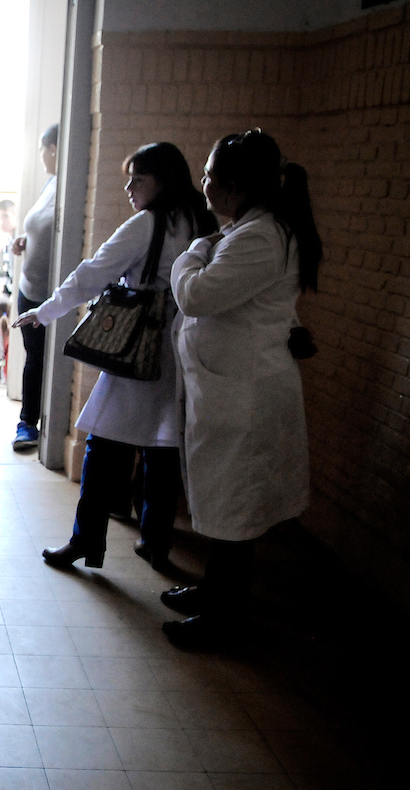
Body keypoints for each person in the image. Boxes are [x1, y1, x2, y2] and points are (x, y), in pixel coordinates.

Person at [15, 142, 218, 572]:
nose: (129, 188)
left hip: (137, 349)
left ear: (161, 181)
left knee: (103, 446)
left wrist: (46, 311)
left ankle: (86, 540)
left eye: (137, 179)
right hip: (186, 351)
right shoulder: (205, 221)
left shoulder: (147, 224)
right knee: (165, 451)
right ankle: (156, 542)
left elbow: (93, 273)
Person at [162, 129, 320, 647]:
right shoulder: (247, 230)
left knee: (235, 509)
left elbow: (196, 295)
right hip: (228, 388)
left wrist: (192, 251)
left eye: (210, 176)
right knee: (223, 502)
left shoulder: (260, 237)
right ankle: (214, 593)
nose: (203, 184)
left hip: (243, 395)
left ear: (235, 187)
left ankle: (223, 619)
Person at [10, 124, 59, 452]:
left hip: (48, 295)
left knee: (40, 360)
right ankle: (27, 422)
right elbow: (44, 228)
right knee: (34, 357)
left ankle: (29, 423)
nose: (41, 156)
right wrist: (25, 240)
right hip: (30, 287)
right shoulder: (50, 183)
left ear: (53, 148)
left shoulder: (67, 185)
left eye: (42, 149)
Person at [0, 199, 18, 296]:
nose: (1, 222)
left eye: (5, 216)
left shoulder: (19, 241)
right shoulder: (6, 242)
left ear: (15, 215)